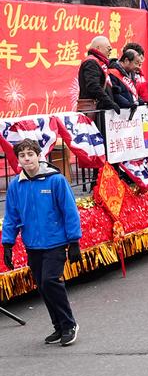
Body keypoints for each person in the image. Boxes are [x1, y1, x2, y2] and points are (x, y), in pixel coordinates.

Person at [2, 140, 83, 347]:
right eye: (22, 155)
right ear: (18, 160)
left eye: (30, 153)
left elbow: (69, 210)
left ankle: (69, 324)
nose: (27, 158)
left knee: (50, 281)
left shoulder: (55, 180)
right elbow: (11, 216)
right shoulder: (15, 186)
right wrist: (7, 245)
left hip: (55, 242)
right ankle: (58, 326)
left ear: (39, 155)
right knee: (43, 286)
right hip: (33, 244)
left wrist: (74, 242)